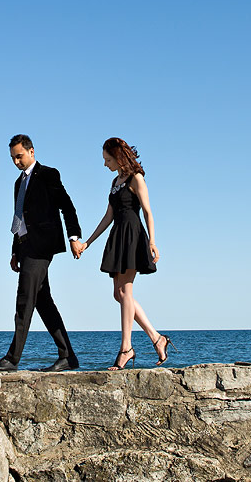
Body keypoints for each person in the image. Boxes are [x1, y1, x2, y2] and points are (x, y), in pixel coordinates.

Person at [0, 134, 85, 372]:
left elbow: (67, 206)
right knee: (43, 302)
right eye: (12, 158)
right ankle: (68, 356)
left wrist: (74, 237)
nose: (16, 162)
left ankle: (12, 359)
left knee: (24, 299)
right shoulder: (18, 184)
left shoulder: (49, 174)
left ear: (31, 151)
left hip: (42, 246)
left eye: (19, 156)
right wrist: (14, 251)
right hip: (25, 247)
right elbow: (19, 217)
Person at [77, 137, 171, 369]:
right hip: (118, 235)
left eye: (107, 159)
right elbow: (108, 216)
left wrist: (152, 242)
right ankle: (157, 338)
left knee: (125, 291)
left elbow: (148, 212)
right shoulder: (114, 182)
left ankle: (126, 349)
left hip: (132, 236)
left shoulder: (136, 178)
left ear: (118, 156)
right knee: (119, 294)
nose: (105, 164)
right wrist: (88, 242)